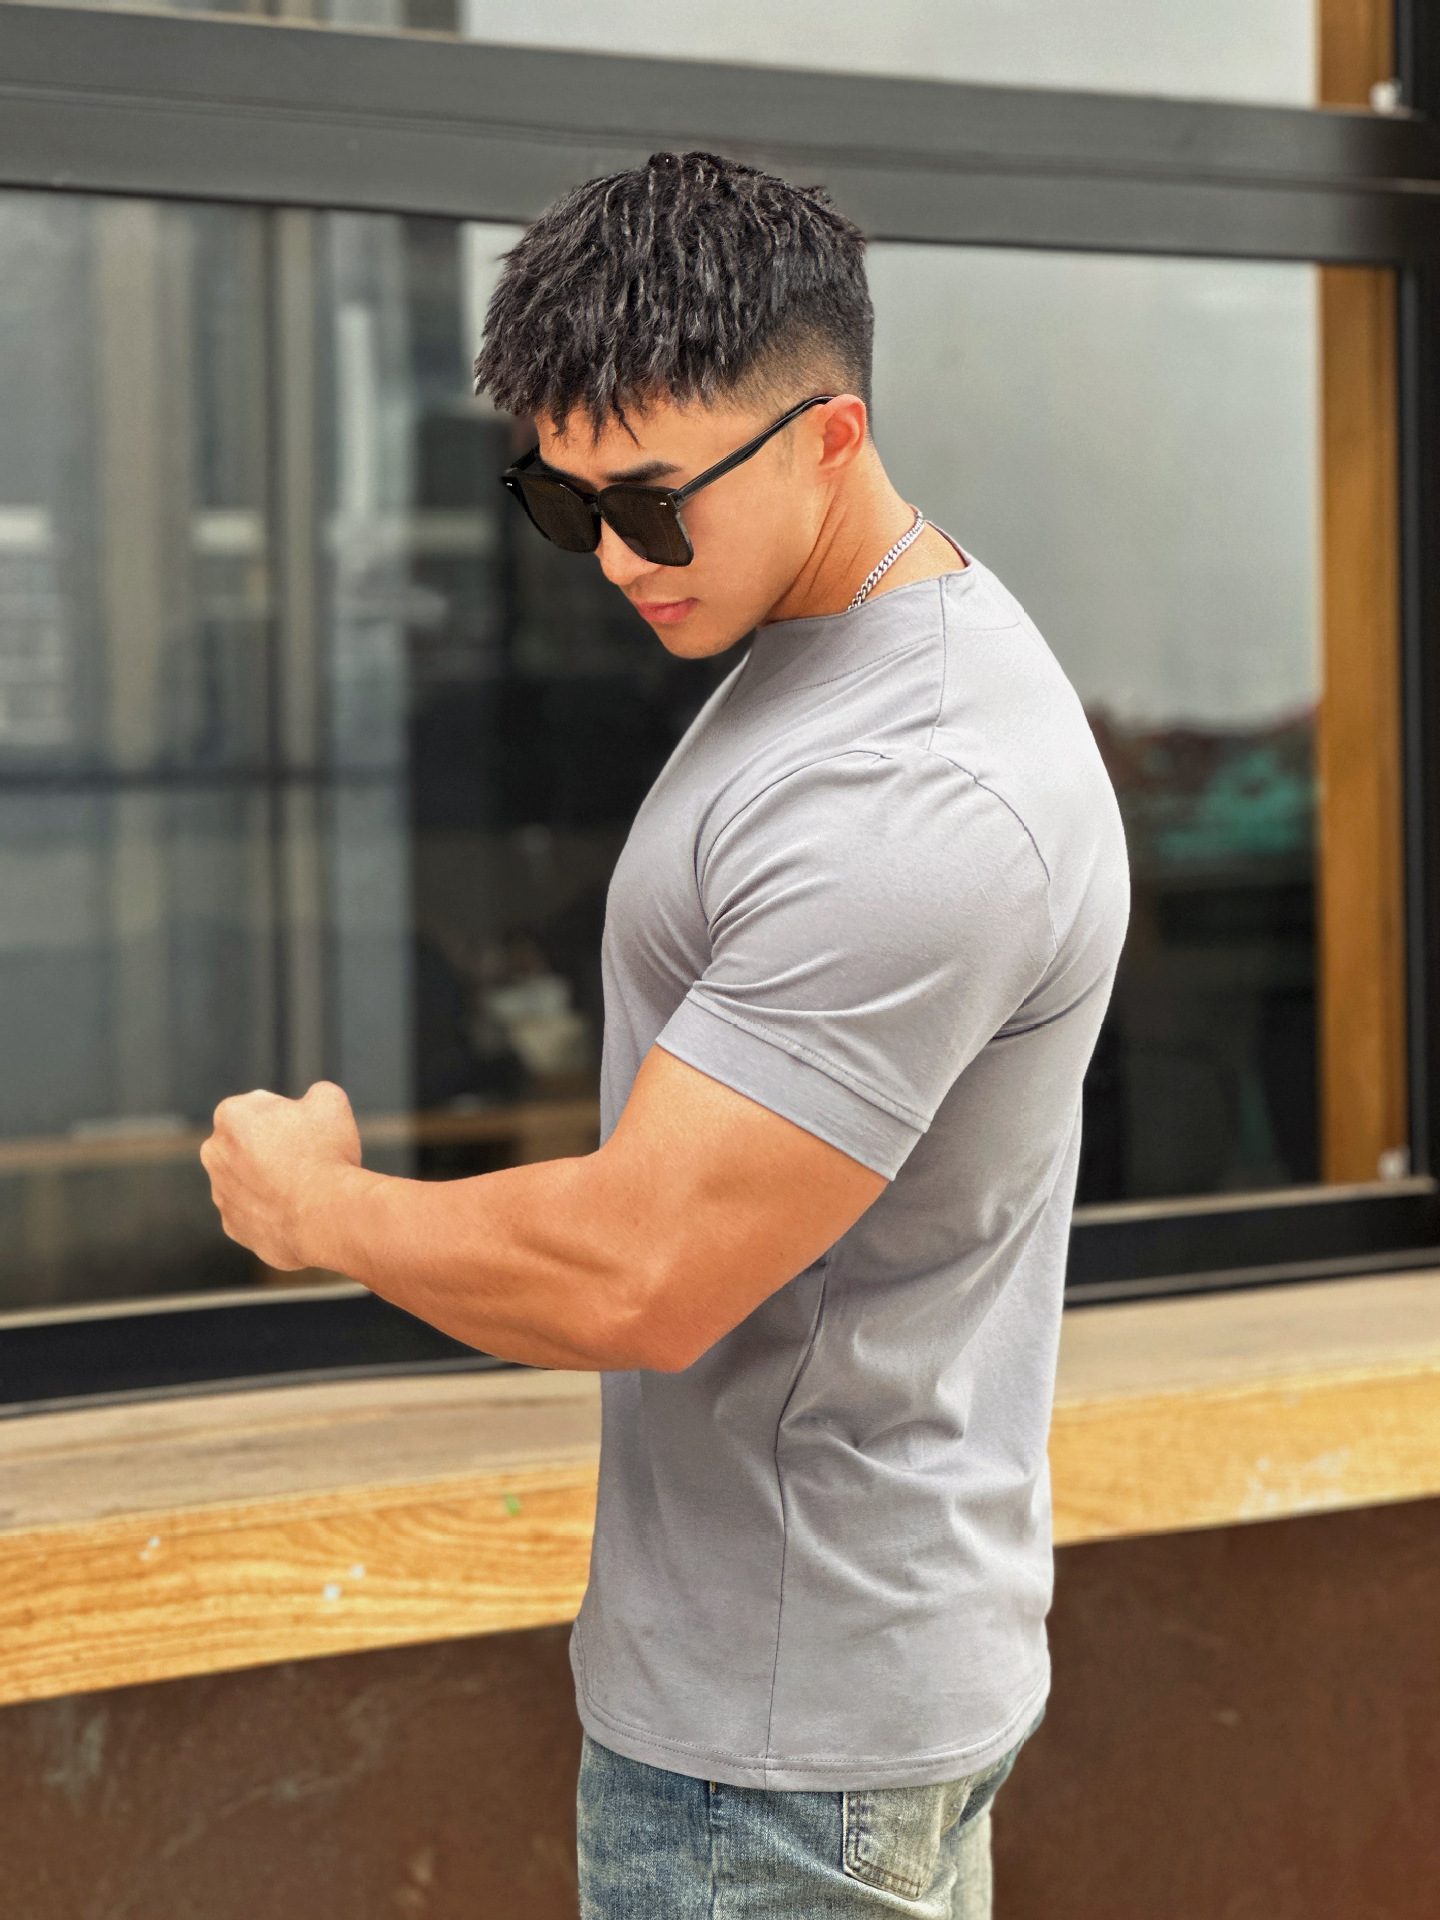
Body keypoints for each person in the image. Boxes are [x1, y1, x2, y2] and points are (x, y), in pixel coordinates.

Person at [202, 150, 1129, 1918]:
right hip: (814, 1694)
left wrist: (316, 1210)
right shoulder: (829, 643)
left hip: (781, 1760)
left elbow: (639, 1275)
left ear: (833, 440)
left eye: (654, 505)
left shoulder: (912, 795)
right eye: (565, 507)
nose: (616, 559)